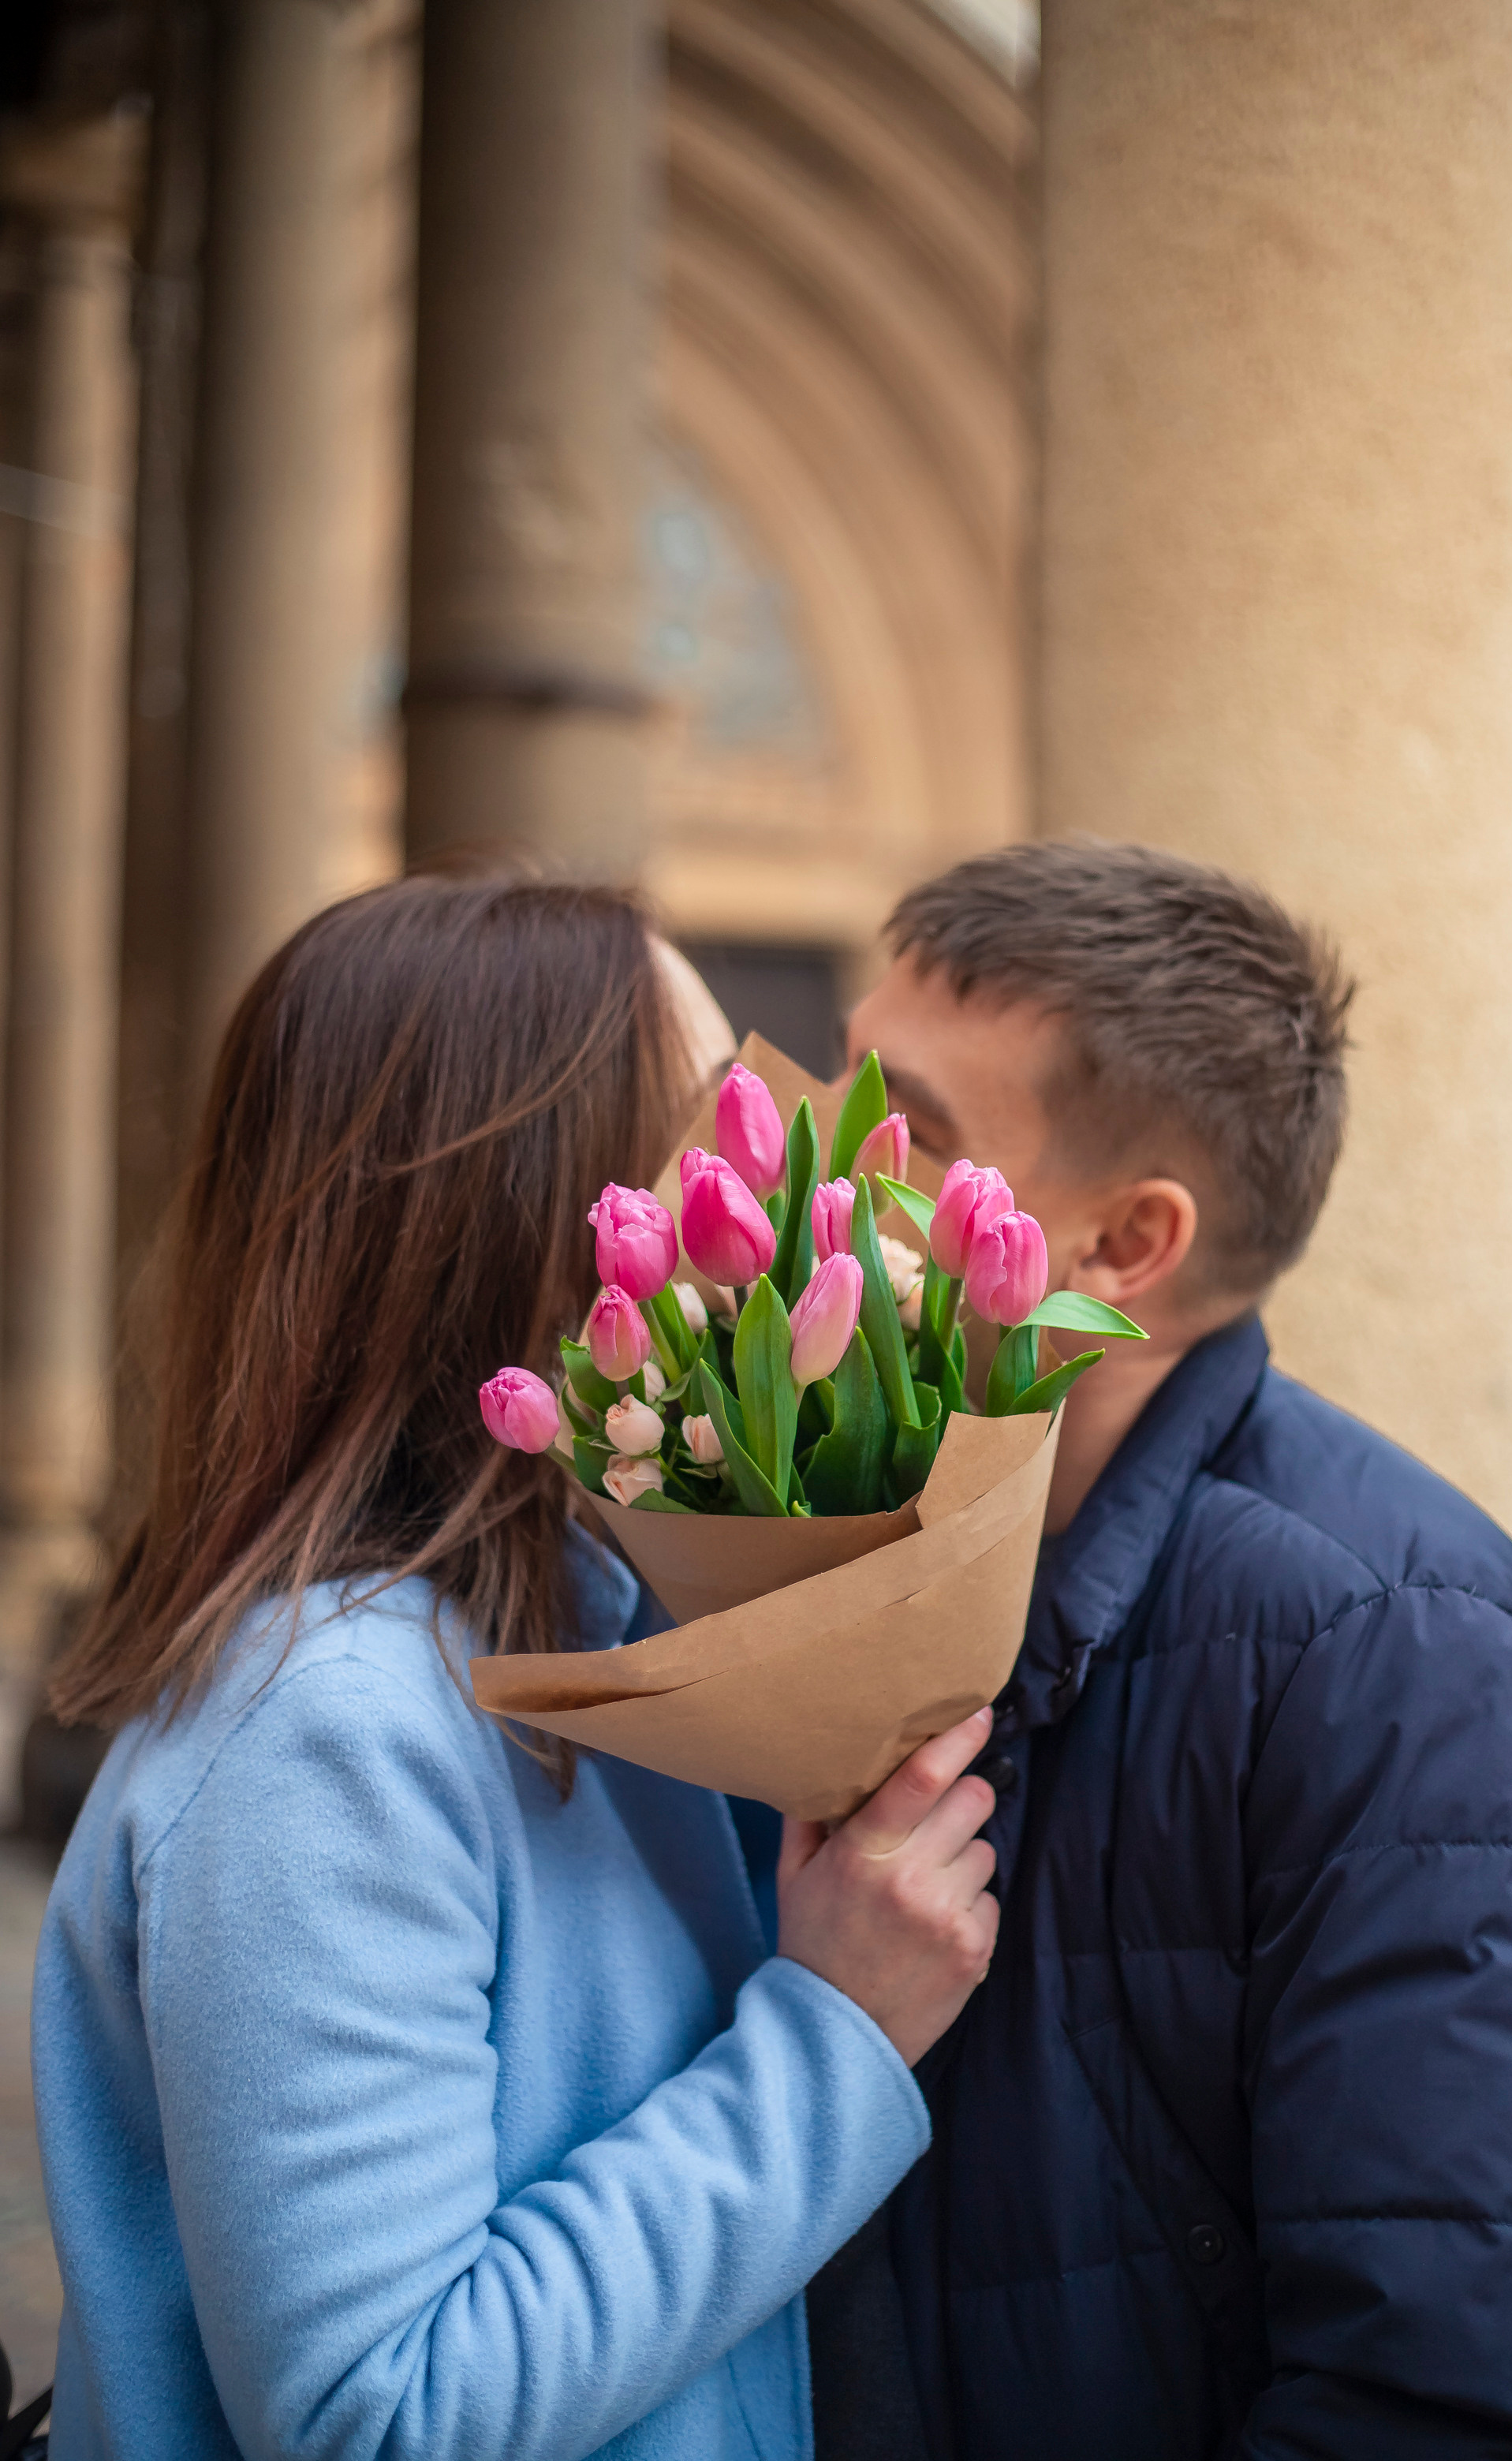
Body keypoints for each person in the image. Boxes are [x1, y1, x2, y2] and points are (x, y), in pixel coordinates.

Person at [32, 872, 1002, 2461]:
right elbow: (384, 2414)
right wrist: (831, 2030)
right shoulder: (327, 1733)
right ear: (535, 1210)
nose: (756, 1190)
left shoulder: (596, 1624)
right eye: (705, 1119)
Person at [842, 838, 1512, 2460]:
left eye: (902, 1135)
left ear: (1122, 1247)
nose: (811, 1168)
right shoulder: (876, 1564)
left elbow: (1465, 2393)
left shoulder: (1410, 1665)